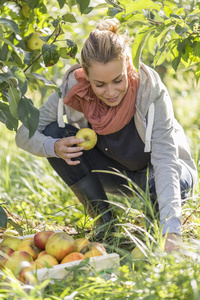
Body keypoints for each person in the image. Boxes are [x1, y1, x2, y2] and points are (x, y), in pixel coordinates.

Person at [15, 18, 197, 252]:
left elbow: (166, 161)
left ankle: (156, 224)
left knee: (154, 239)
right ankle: (106, 224)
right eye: (100, 84)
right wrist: (54, 146)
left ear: (128, 66)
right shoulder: (75, 91)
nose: (111, 92)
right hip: (117, 174)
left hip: (163, 174)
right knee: (53, 133)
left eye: (118, 80)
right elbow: (23, 134)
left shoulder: (150, 90)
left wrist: (172, 231)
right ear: (86, 76)